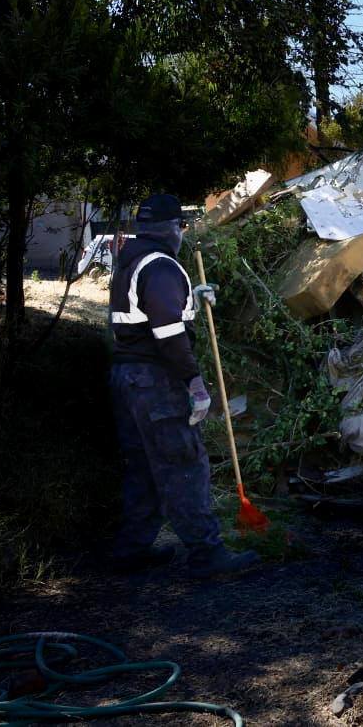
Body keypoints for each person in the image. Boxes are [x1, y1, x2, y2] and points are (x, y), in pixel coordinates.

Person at [107, 194, 259, 579]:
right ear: (175, 228)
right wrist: (195, 383)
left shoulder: (131, 259)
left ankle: (131, 549)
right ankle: (207, 555)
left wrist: (191, 297)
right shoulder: (161, 266)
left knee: (143, 467)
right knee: (183, 465)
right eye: (181, 227)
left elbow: (152, 312)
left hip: (127, 378)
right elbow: (169, 333)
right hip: (155, 381)